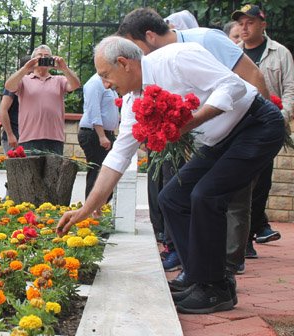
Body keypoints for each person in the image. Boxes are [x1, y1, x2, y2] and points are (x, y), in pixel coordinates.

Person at [57, 36, 284, 314]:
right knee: (173, 197)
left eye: (106, 75)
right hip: (220, 140)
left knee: (205, 195)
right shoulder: (133, 101)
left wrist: (190, 122)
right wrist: (87, 209)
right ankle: (200, 276)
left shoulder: (177, 58)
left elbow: (233, 85)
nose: (105, 84)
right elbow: (118, 156)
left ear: (124, 63)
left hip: (257, 125)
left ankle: (214, 289)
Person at [116, 7, 271, 279]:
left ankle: (222, 274)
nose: (131, 56)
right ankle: (199, 275)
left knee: (212, 196)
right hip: (212, 138)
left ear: (149, 37)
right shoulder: (152, 70)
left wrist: (258, 143)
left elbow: (250, 79)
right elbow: (121, 149)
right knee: (176, 196)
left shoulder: (200, 43)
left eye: (132, 46)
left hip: (247, 127)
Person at [233, 4, 294, 257]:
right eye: (241, 23)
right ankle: (240, 238)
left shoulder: (280, 53)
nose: (244, 28)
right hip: (239, 126)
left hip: (267, 127)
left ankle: (247, 238)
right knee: (239, 182)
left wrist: (281, 116)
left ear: (262, 25)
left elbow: (290, 89)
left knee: (261, 184)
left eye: (250, 23)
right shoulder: (233, 52)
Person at [4, 45, 81, 155]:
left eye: (47, 56)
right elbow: (8, 86)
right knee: (31, 172)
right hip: (29, 139)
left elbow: (75, 85)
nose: (43, 58)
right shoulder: (24, 81)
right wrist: (25, 68)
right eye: (40, 56)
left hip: (55, 139)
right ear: (33, 59)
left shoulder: (59, 80)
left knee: (53, 172)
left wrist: (64, 68)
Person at [78, 73, 119, 200]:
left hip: (105, 133)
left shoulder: (108, 81)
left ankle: (102, 207)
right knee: (97, 173)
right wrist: (101, 136)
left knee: (106, 173)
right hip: (94, 133)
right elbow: (93, 110)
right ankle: (92, 211)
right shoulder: (94, 83)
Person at [0, 55, 31, 153]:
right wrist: (10, 135)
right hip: (15, 137)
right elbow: (3, 110)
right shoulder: (15, 84)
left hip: (29, 137)